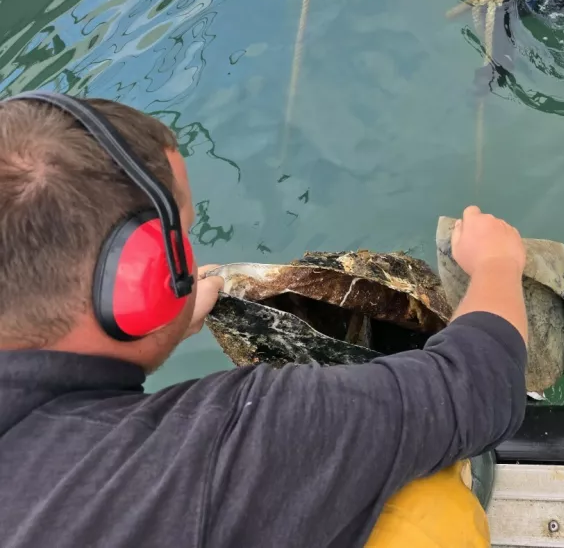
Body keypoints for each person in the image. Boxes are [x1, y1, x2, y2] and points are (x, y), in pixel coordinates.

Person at [0, 91, 529, 547]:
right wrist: (497, 264)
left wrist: (165, 329)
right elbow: (480, 382)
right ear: (140, 284)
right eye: (181, 235)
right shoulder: (223, 447)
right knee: (426, 506)